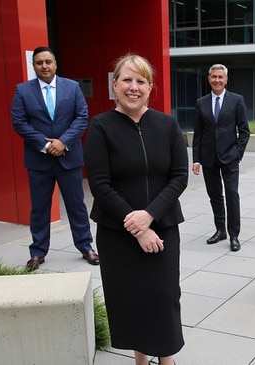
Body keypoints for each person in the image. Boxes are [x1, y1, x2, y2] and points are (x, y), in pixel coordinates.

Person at [83, 54, 188, 365]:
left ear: (150, 87)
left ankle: (166, 359)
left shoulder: (167, 124)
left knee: (165, 296)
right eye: (126, 80)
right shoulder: (101, 126)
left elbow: (179, 176)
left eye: (140, 81)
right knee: (132, 299)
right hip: (119, 234)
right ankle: (140, 359)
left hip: (163, 226)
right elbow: (100, 183)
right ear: (115, 85)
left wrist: (150, 216)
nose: (133, 87)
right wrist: (138, 227)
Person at [11, 46, 99, 271]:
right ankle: (38, 252)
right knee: (39, 208)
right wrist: (46, 144)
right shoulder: (22, 90)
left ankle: (86, 246)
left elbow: (82, 117)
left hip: (68, 157)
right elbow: (19, 123)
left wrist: (63, 142)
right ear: (34, 65)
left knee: (76, 205)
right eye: (39, 62)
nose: (44, 66)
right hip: (39, 161)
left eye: (48, 61)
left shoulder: (72, 87)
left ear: (55, 63)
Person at [192, 64, 250, 252]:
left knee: (232, 195)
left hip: (230, 157)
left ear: (226, 79)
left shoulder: (237, 100)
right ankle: (220, 230)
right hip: (208, 158)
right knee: (215, 196)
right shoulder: (201, 102)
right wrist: (196, 159)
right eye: (214, 77)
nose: (217, 80)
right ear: (209, 79)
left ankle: (234, 235)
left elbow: (244, 131)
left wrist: (237, 153)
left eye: (220, 77)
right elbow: (198, 134)